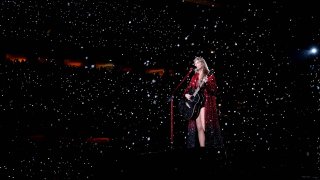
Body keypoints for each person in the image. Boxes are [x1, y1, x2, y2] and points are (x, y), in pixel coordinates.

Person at [182, 56, 224, 151]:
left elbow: (214, 89)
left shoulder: (209, 75)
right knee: (199, 127)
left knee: (206, 127)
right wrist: (186, 94)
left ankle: (211, 148)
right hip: (196, 104)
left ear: (202, 63)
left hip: (205, 101)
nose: (195, 64)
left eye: (197, 62)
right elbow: (189, 88)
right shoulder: (195, 76)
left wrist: (207, 83)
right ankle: (202, 149)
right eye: (195, 63)